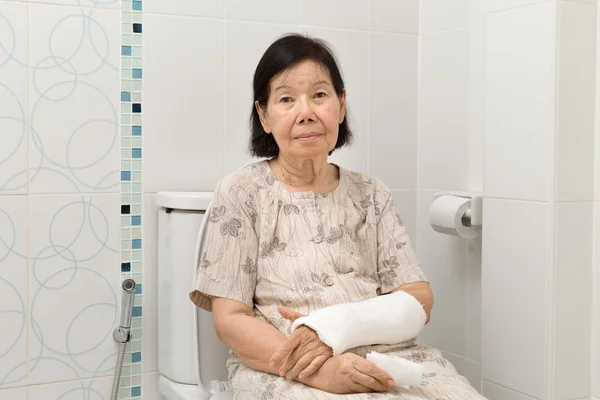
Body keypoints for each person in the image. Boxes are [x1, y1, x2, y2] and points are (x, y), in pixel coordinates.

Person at [189, 33, 486, 399]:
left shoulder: (371, 193)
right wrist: (323, 372)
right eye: (286, 99)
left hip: (391, 357)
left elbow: (417, 297)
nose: (307, 112)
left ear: (341, 105)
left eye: (319, 95)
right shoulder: (241, 192)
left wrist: (339, 327)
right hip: (285, 368)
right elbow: (230, 320)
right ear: (264, 116)